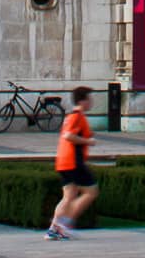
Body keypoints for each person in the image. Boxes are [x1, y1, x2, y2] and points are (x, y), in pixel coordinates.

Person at [47, 86, 98, 238]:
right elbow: (69, 136)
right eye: (90, 99)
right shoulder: (77, 117)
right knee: (91, 191)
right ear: (83, 101)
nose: (91, 103)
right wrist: (88, 141)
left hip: (63, 161)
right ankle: (65, 223)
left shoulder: (71, 116)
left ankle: (54, 229)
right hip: (73, 162)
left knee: (69, 195)